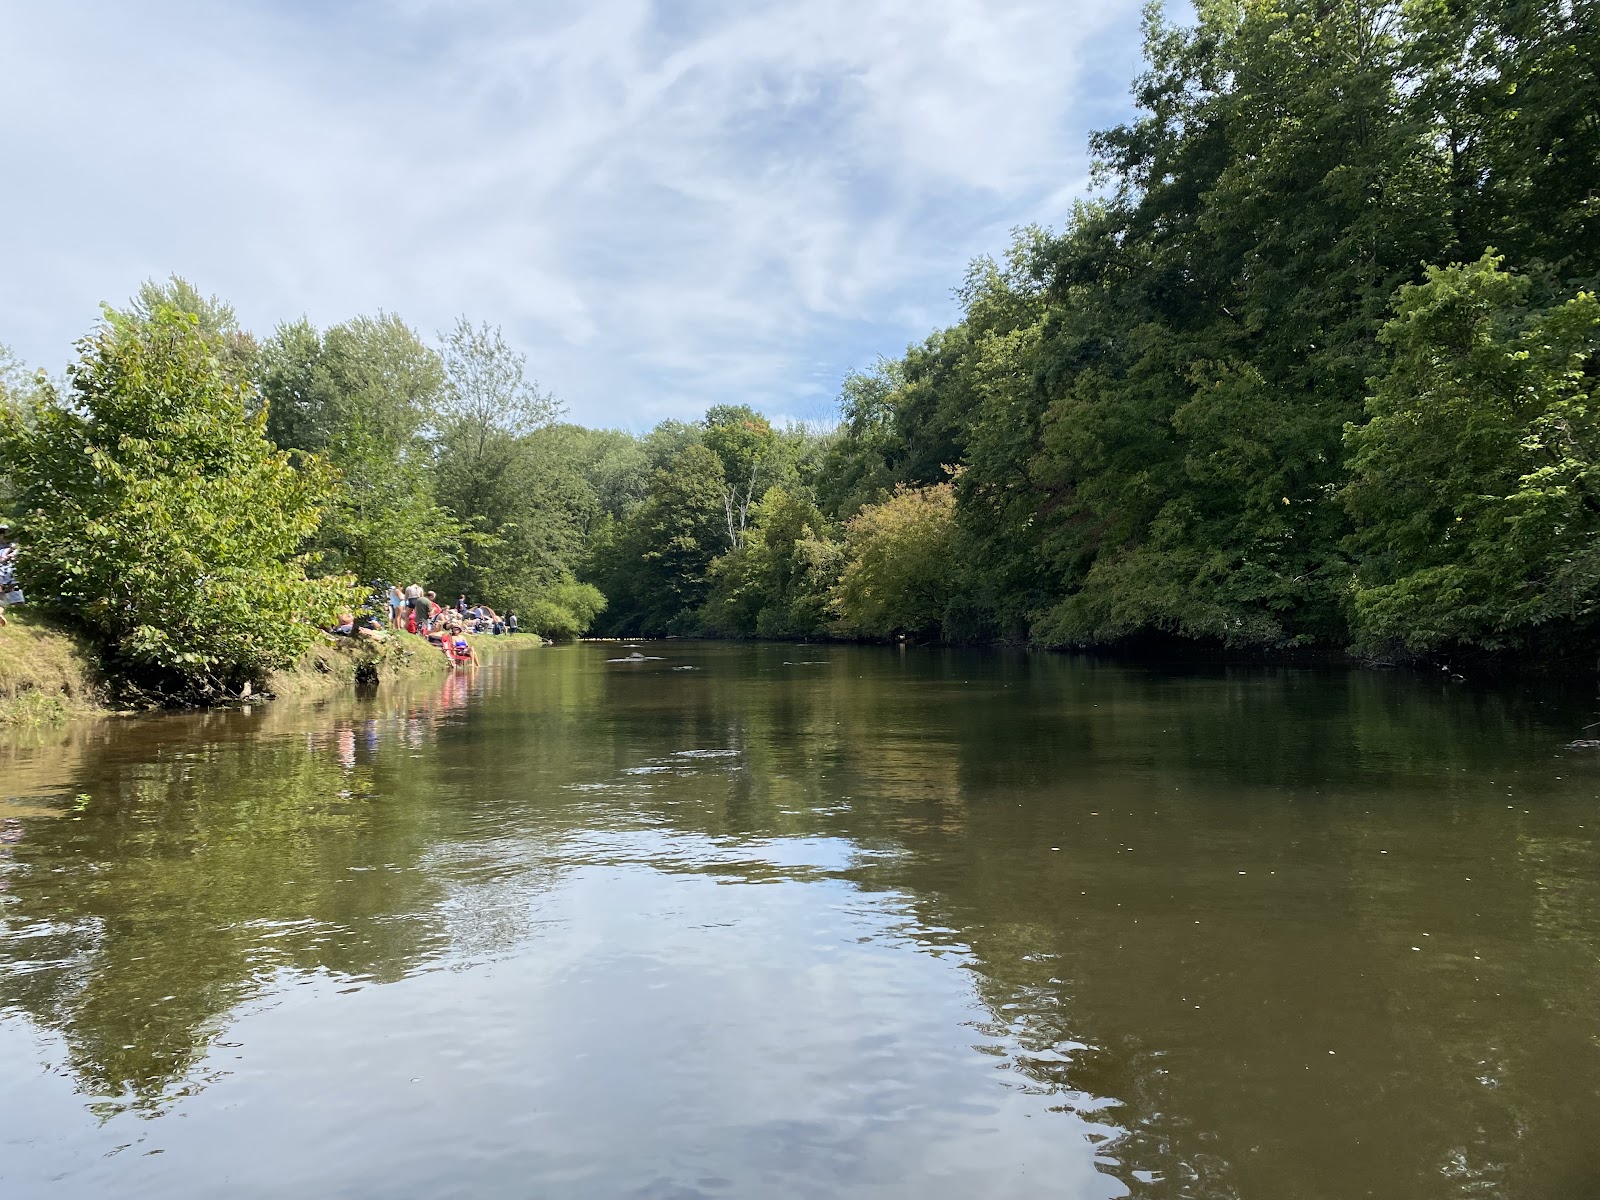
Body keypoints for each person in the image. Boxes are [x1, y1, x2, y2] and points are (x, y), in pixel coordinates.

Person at [0, 525, 22, 628]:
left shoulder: (12, 547)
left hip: (5, 574)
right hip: (6, 575)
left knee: (3, 596)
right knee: (2, 597)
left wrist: (8, 556)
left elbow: (11, 556)